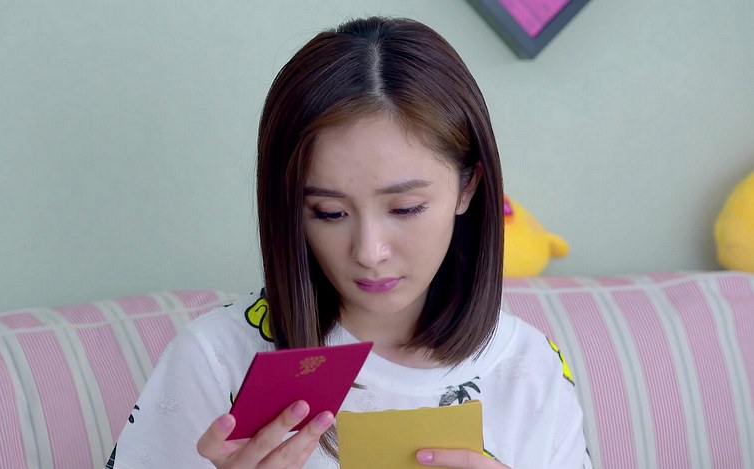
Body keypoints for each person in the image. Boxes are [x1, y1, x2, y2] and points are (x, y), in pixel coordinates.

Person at [107, 16, 591, 469]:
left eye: (405, 208)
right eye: (330, 213)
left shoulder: (531, 368)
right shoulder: (218, 358)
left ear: (468, 187)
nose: (368, 252)